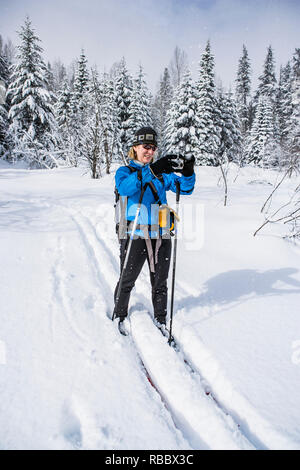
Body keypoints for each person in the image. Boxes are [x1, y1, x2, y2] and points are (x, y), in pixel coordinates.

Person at [113, 127, 195, 335]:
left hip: (161, 235)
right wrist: (152, 170)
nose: (149, 151)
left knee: (160, 282)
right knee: (127, 279)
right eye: (145, 147)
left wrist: (188, 172)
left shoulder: (162, 176)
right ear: (135, 148)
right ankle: (119, 314)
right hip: (134, 236)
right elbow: (125, 189)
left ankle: (161, 319)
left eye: (153, 148)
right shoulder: (125, 172)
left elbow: (185, 188)